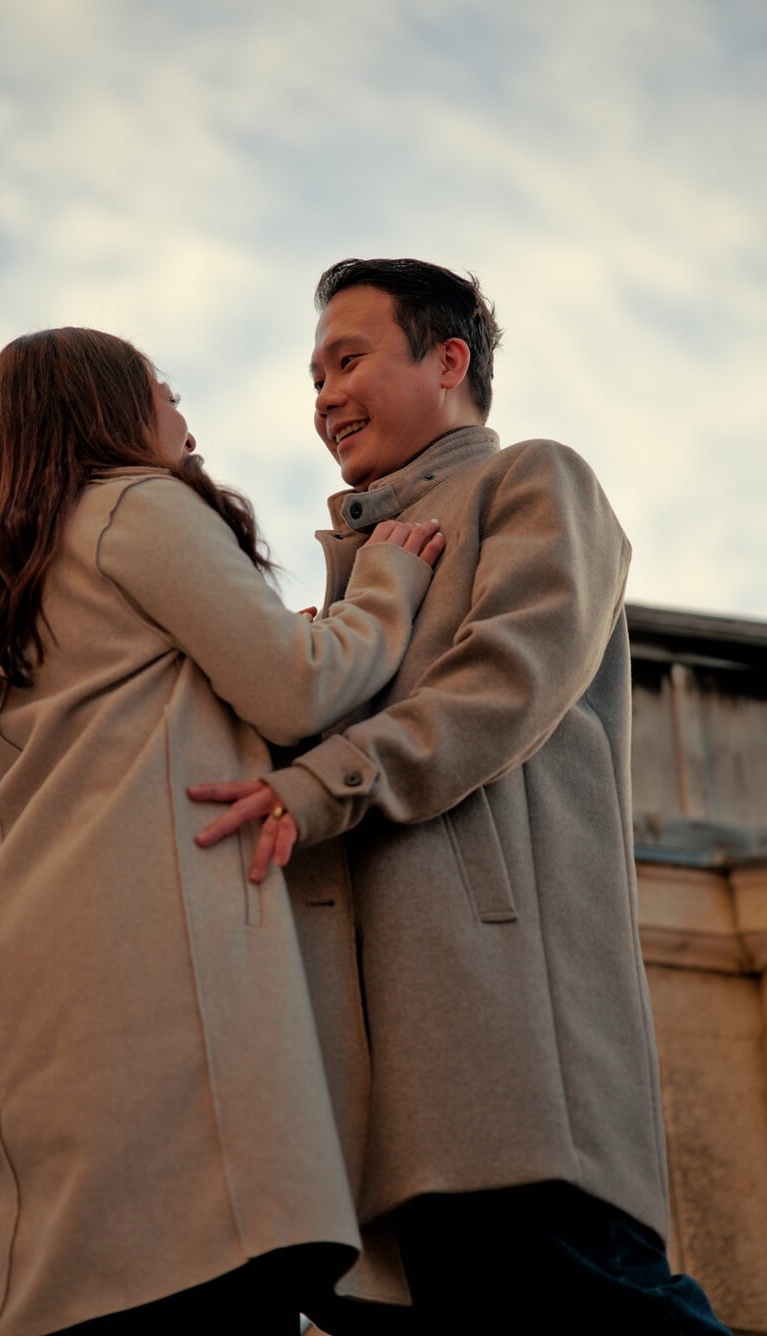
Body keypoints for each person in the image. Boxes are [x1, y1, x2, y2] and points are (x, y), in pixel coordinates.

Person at [189, 259, 731, 1334]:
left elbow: (505, 681)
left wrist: (325, 779)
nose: (324, 396)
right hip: (381, 1096)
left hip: (508, 1048)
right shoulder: (362, 567)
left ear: (447, 361)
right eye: (313, 377)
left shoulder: (536, 479)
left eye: (348, 360)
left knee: (592, 1299)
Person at [0, 325, 447, 1335]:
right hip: (155, 947)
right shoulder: (135, 505)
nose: (183, 416)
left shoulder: (23, 572)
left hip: (41, 946)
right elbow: (297, 685)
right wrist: (383, 585)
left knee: (83, 1275)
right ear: (109, 407)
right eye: (164, 391)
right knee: (213, 1261)